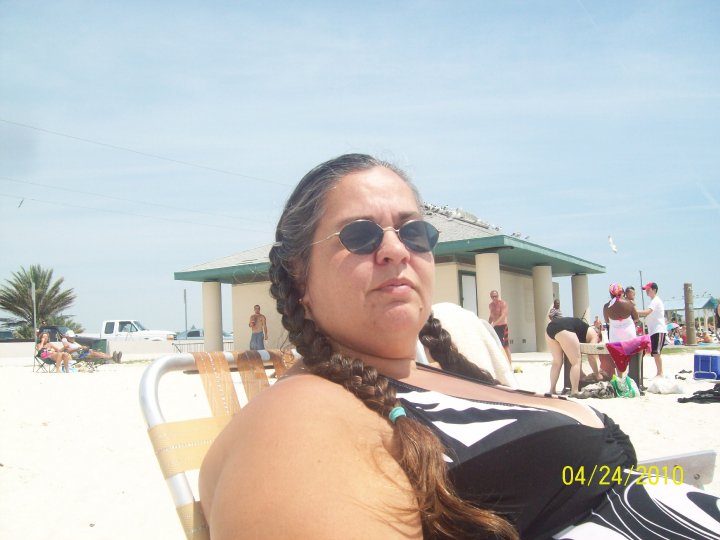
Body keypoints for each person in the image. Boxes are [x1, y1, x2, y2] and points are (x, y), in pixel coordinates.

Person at [199, 154, 719, 540]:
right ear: (299, 277)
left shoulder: (427, 372)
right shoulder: (298, 418)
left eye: (414, 232)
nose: (395, 249)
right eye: (359, 235)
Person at [545, 317, 602, 396]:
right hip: (564, 329)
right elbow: (591, 356)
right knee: (576, 362)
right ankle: (574, 391)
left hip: (550, 328)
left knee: (557, 362)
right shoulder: (595, 335)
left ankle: (552, 390)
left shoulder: (583, 330)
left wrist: (582, 374)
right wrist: (597, 374)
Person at [637, 282, 666, 378]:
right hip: (654, 331)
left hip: (659, 329)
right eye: (646, 289)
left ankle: (660, 372)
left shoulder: (656, 301)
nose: (646, 291)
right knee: (654, 353)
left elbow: (646, 312)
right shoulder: (653, 301)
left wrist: (633, 311)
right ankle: (659, 372)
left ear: (654, 290)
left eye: (648, 289)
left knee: (656, 352)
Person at [488, 290, 512, 366]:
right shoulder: (490, 305)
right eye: (492, 297)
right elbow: (491, 316)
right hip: (495, 327)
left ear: (498, 296)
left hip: (503, 326)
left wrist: (494, 324)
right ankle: (500, 363)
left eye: (495, 296)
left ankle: (510, 365)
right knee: (496, 344)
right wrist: (488, 324)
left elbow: (503, 316)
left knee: (505, 345)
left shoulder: (503, 304)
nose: (494, 298)